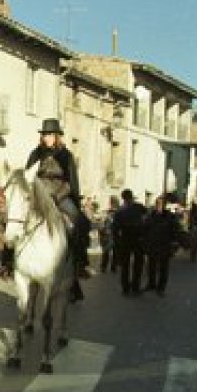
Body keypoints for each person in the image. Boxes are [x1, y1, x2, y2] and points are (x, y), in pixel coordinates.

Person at [26, 118, 87, 299]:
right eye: (44, 135)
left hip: (60, 195)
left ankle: (79, 262)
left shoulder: (66, 155)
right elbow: (28, 176)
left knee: (78, 221)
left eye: (50, 135)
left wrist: (57, 197)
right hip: (39, 195)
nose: (46, 138)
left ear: (57, 136)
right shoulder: (36, 154)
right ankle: (9, 260)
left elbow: (70, 182)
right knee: (17, 219)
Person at [112, 188, 147, 296]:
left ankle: (125, 288)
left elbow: (115, 229)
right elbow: (147, 217)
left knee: (125, 265)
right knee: (138, 264)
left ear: (123, 198)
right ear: (131, 196)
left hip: (125, 239)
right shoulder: (139, 207)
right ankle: (135, 287)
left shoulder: (119, 211)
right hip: (138, 238)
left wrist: (117, 242)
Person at [144, 195, 178, 296]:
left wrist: (174, 243)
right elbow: (146, 228)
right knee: (151, 266)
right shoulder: (151, 215)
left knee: (163, 268)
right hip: (152, 244)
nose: (159, 206)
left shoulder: (170, 216)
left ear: (164, 205)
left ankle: (161, 288)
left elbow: (174, 230)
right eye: (157, 204)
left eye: (161, 204)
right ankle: (151, 284)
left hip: (164, 245)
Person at [100, 195, 120, 273]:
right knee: (113, 252)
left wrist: (102, 232)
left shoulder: (109, 213)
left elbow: (102, 225)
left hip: (110, 235)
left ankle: (105, 267)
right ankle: (112, 267)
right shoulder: (119, 212)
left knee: (107, 252)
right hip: (113, 235)